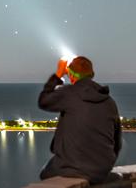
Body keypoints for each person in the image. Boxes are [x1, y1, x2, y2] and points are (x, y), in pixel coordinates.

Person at [38, 56, 122, 184]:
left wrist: (58, 75)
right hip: (101, 171)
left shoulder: (69, 94)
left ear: (71, 76)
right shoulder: (109, 102)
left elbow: (43, 101)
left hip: (70, 168)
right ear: (91, 75)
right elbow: (117, 143)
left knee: (45, 173)